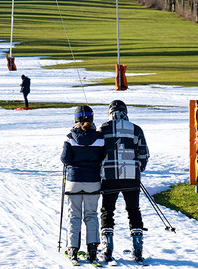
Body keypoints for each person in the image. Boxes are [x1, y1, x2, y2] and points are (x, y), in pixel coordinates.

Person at [99, 100, 149, 264]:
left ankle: (107, 248)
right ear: (125, 112)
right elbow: (144, 154)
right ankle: (138, 248)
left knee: (107, 210)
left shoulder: (102, 129)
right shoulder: (136, 129)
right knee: (134, 210)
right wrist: (138, 168)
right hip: (131, 177)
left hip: (109, 177)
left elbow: (97, 153)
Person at [61, 105, 105, 264]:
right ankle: (92, 251)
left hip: (74, 181)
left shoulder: (70, 137)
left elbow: (65, 159)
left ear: (76, 119)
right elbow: (101, 157)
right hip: (92, 181)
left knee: (74, 215)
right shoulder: (100, 138)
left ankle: (72, 250)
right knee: (91, 215)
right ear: (92, 119)